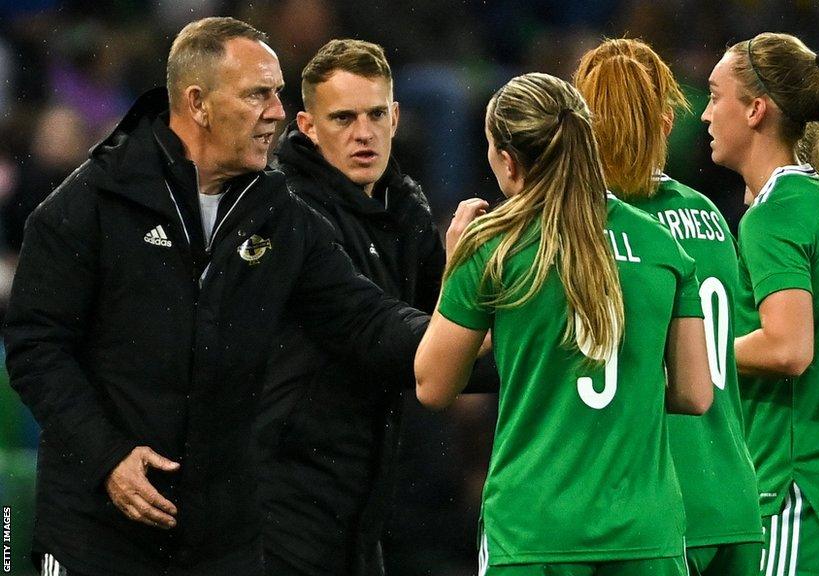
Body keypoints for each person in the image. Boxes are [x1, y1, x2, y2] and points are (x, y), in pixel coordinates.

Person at [3, 17, 427, 576]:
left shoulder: (281, 216)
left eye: (278, 92)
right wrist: (107, 456)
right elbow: (36, 348)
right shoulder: (86, 208)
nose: (278, 111)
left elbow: (367, 321)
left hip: (220, 542)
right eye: (259, 94)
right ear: (198, 103)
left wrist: (475, 326)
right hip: (94, 533)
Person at [415, 72, 713, 576]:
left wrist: (453, 266)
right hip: (645, 532)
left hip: (537, 531)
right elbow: (694, 394)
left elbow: (433, 384)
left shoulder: (494, 247)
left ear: (508, 160)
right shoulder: (665, 247)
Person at [701, 32, 819, 575]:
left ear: (756, 109)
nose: (705, 114)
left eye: (716, 96)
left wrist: (695, 351)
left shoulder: (775, 213)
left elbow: (788, 348)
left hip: (801, 496)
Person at [256, 38, 447, 576]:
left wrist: (537, 345)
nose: (363, 133)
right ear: (308, 127)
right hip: (279, 499)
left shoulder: (404, 207)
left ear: (396, 117)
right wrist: (499, 331)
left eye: (375, 114)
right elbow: (376, 329)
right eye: (342, 118)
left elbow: (446, 341)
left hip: (361, 502)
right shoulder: (282, 210)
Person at [573, 38, 763, 576]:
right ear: (663, 125)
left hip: (650, 507)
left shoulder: (593, 224)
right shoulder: (708, 214)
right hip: (733, 490)